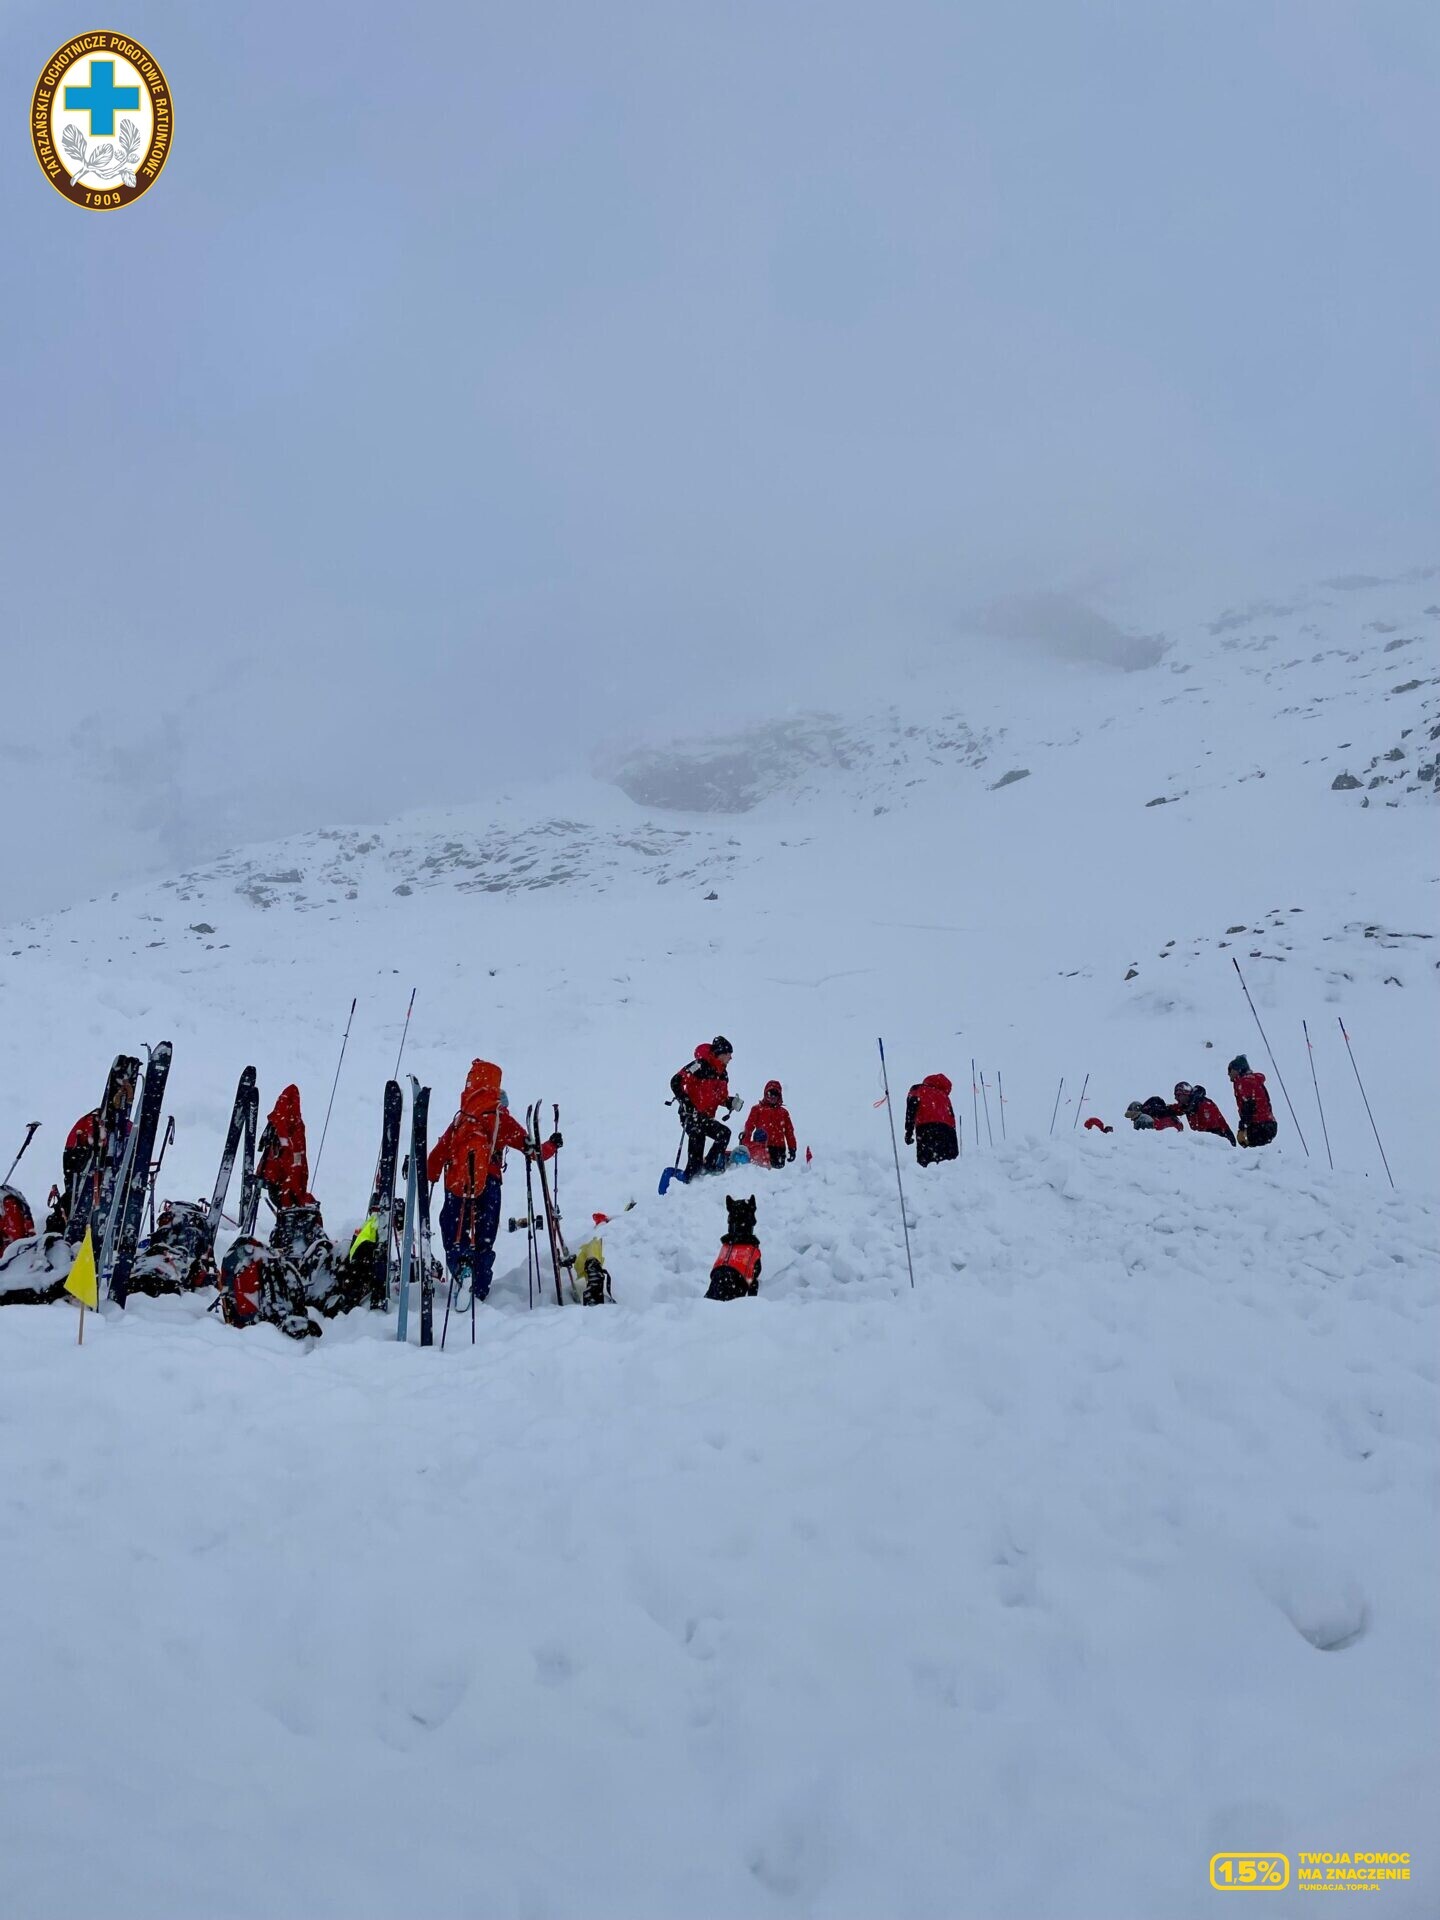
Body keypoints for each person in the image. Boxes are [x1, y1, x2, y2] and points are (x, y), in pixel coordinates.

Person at [426, 1060, 558, 1302]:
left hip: (456, 1187)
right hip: (489, 1185)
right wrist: (552, 1145)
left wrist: (429, 1176)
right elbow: (535, 1152)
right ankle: (479, 1289)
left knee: (454, 1235)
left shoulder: (460, 1121)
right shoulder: (500, 1119)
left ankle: (460, 1268)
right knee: (484, 1239)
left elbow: (434, 1161)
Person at [670, 1037, 741, 1177]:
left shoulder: (723, 1074)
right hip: (690, 1114)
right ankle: (690, 1176)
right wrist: (686, 1103)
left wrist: (729, 1102)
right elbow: (675, 1081)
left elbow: (719, 1097)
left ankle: (708, 1165)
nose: (731, 1058)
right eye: (729, 1054)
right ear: (720, 1053)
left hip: (705, 1117)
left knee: (724, 1134)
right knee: (698, 1135)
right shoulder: (699, 1065)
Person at [256, 1085, 315, 1209]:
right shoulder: (294, 1129)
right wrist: (297, 1191)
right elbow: (296, 1162)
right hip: (284, 1188)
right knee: (294, 1203)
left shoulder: (275, 1126)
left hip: (274, 1181)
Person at [904, 1074, 959, 1165]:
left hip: (926, 1129)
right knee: (949, 1167)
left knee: (927, 1167)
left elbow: (911, 1108)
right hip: (948, 1133)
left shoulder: (918, 1089)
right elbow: (952, 1118)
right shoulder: (945, 1097)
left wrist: (909, 1132)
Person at [740, 1081, 797, 1168]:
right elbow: (749, 1127)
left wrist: (792, 1148)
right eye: (770, 1094)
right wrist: (744, 1144)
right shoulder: (757, 1109)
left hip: (779, 1149)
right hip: (761, 1147)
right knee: (762, 1172)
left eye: (775, 1094)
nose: (773, 1097)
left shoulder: (784, 1113)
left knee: (777, 1175)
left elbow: (789, 1132)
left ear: (779, 1096)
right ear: (766, 1094)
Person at [1228, 1055, 1277, 1147]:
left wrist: (1242, 1127)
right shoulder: (1253, 1081)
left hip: (1259, 1126)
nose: (1228, 1073)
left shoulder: (1244, 1082)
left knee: (1250, 1156)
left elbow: (1249, 1106)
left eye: (1230, 1070)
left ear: (1237, 1069)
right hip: (1268, 1125)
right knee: (1260, 1154)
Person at [1170, 1081, 1236, 1144]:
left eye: (1178, 1095)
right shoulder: (1188, 1105)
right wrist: (1164, 1108)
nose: (1176, 1098)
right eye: (1175, 1095)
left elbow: (1213, 1131)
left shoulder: (1204, 1105)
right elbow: (1175, 1109)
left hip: (1223, 1142)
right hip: (1207, 1142)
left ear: (1186, 1094)